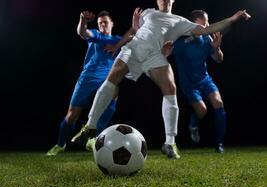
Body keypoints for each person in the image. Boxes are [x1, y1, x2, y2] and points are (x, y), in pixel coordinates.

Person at [71, 0, 251, 159]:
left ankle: (170, 143)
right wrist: (119, 45)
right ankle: (90, 127)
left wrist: (233, 18)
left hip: (155, 55)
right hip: (133, 49)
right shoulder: (148, 12)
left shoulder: (180, 21)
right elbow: (134, 30)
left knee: (170, 87)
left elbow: (209, 29)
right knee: (113, 77)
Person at [46, 10, 122, 156]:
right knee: (72, 115)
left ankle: (92, 137)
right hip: (86, 79)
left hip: (106, 80)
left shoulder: (118, 41)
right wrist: (83, 20)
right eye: (100, 23)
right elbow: (82, 32)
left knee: (114, 91)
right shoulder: (96, 35)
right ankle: (60, 144)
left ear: (112, 24)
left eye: (105, 22)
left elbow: (133, 38)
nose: (102, 25)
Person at [171, 10, 226, 153]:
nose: (208, 25)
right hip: (189, 84)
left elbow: (219, 60)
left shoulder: (207, 39)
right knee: (202, 111)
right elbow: (166, 52)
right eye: (205, 22)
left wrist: (217, 48)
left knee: (219, 104)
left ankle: (219, 143)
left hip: (205, 79)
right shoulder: (181, 39)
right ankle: (193, 124)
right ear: (195, 23)